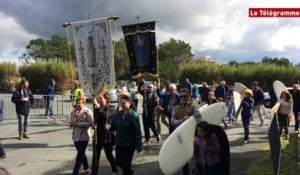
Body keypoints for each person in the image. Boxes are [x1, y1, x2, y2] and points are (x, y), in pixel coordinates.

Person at [105, 95, 142, 175]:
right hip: (119, 143)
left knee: (126, 163)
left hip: (129, 144)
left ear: (129, 103)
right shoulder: (118, 114)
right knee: (119, 162)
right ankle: (129, 171)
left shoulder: (134, 115)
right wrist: (109, 128)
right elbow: (114, 127)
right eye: (121, 103)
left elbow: (137, 131)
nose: (122, 105)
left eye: (124, 103)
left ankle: (127, 171)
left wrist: (139, 145)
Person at [171, 88, 196, 175]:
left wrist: (190, 119)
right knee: (183, 160)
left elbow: (199, 119)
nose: (182, 98)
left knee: (195, 158)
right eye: (181, 96)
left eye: (185, 96)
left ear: (188, 96)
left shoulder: (193, 107)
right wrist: (181, 120)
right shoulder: (176, 108)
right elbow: (172, 121)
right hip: (180, 137)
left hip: (191, 136)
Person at [91, 93, 117, 175]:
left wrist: (98, 107)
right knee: (95, 156)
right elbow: (96, 121)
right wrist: (93, 124)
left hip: (107, 135)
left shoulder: (111, 108)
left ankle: (114, 170)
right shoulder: (96, 109)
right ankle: (94, 173)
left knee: (108, 155)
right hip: (98, 135)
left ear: (106, 99)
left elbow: (107, 118)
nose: (99, 100)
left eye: (101, 98)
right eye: (98, 99)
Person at [69, 96, 93, 175]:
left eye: (80, 103)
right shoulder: (73, 111)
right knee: (81, 153)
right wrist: (71, 124)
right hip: (75, 136)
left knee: (79, 156)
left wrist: (79, 124)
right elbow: (69, 122)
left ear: (83, 103)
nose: (78, 105)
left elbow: (90, 123)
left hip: (84, 135)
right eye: (77, 103)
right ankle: (86, 168)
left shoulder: (88, 111)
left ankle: (75, 172)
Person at [138, 80, 160, 144]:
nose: (149, 88)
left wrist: (148, 105)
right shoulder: (145, 93)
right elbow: (139, 90)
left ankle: (157, 135)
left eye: (151, 87)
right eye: (149, 87)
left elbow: (156, 104)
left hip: (151, 113)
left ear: (153, 89)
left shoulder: (155, 95)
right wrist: (141, 83)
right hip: (145, 112)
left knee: (152, 126)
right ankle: (147, 139)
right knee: (145, 126)